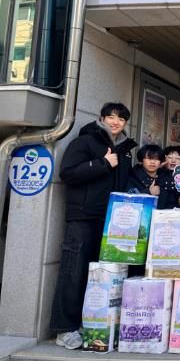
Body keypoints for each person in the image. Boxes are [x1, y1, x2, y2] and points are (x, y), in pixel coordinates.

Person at [50, 102, 137, 349]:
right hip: (83, 217)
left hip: (112, 223)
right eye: (111, 117)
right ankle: (64, 329)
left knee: (101, 277)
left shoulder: (125, 150)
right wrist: (103, 163)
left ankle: (89, 323)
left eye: (121, 119)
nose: (116, 122)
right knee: (73, 272)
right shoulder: (85, 142)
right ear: (102, 118)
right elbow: (68, 173)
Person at [126, 144, 179, 209]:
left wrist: (179, 201)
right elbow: (127, 202)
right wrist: (148, 192)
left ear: (160, 162)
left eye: (156, 159)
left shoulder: (167, 178)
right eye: (149, 158)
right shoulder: (133, 177)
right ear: (141, 161)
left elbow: (172, 202)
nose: (153, 162)